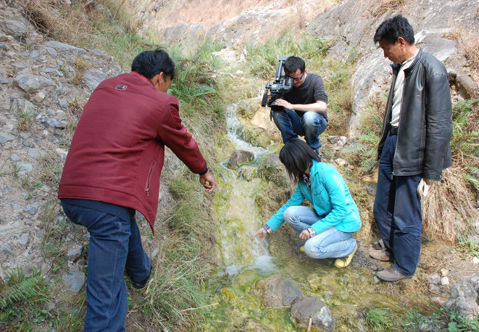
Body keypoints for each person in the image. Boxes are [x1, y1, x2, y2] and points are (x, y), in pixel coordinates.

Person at [58, 49, 216, 331]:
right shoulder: (160, 103)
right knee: (105, 301)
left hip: (71, 194)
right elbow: (182, 142)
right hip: (106, 203)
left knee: (122, 221)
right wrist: (202, 171)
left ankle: (141, 273)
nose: (168, 89)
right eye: (169, 83)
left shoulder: (105, 87)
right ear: (159, 77)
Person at [370, 15, 452, 282]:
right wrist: (384, 147)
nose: (385, 55)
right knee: (382, 207)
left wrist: (431, 173)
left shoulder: (432, 69)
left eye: (386, 49)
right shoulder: (401, 67)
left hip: (413, 151)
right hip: (393, 143)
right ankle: (392, 251)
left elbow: (440, 125)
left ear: (401, 42)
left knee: (406, 213)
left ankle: (404, 267)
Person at [253, 138, 361, 268]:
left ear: (295, 162)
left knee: (311, 249)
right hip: (326, 220)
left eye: (287, 164)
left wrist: (313, 230)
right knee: (290, 213)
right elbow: (289, 205)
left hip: (344, 223)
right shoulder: (304, 180)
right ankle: (320, 240)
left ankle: (349, 247)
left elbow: (341, 210)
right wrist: (267, 228)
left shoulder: (326, 172)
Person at [271, 56, 328, 155]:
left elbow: (322, 106)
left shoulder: (315, 80)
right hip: (299, 122)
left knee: (309, 116)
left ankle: (313, 148)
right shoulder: (286, 84)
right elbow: (279, 107)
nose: (294, 82)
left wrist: (293, 106)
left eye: (298, 78)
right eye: (291, 79)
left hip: (317, 122)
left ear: (304, 71)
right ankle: (293, 146)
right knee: (276, 112)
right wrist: (272, 100)